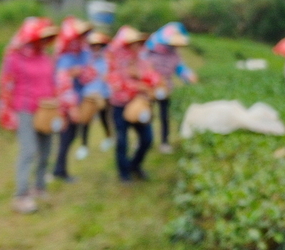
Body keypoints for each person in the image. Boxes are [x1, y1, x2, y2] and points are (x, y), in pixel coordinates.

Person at [0, 16, 59, 213]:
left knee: (46, 150)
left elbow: (52, 83)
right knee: (29, 150)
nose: (44, 42)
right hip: (24, 109)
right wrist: (7, 112)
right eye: (41, 37)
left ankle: (39, 187)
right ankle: (21, 195)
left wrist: (57, 107)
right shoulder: (14, 57)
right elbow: (6, 84)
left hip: (46, 109)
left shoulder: (45, 57)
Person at [106, 25, 160, 182]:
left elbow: (152, 78)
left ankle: (134, 165)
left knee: (147, 138)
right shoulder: (115, 61)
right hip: (120, 105)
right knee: (122, 141)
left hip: (140, 104)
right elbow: (116, 84)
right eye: (132, 43)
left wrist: (144, 80)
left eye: (138, 43)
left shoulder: (142, 60)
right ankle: (124, 173)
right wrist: (138, 85)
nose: (136, 46)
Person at [51, 17, 95, 182]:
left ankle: (59, 169)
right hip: (66, 103)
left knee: (71, 135)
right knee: (65, 135)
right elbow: (62, 84)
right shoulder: (66, 56)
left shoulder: (83, 53)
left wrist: (80, 72)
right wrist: (72, 107)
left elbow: (90, 75)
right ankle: (59, 171)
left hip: (78, 99)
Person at [143, 21, 198, 153]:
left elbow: (180, 67)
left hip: (165, 87)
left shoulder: (174, 53)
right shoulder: (151, 49)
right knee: (146, 113)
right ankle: (144, 140)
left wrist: (188, 75)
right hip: (150, 86)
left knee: (164, 115)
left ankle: (164, 142)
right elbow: (143, 64)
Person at [80, 31, 114, 156]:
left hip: (103, 94)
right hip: (89, 94)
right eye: (93, 45)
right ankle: (84, 146)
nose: (96, 47)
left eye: (98, 45)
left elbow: (108, 76)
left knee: (104, 118)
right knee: (85, 120)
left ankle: (109, 138)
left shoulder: (105, 59)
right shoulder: (85, 58)